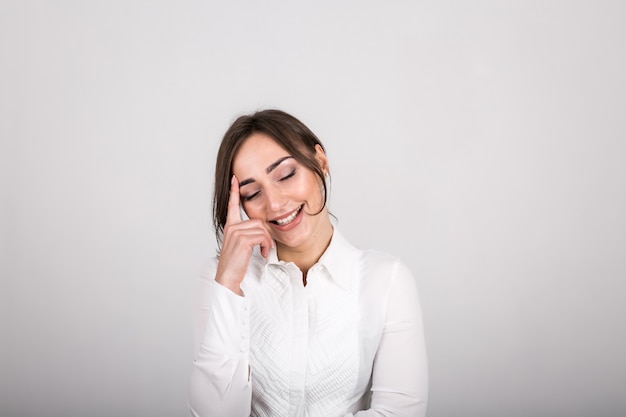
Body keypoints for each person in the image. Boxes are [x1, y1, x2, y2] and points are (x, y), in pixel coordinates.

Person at [188, 109, 428, 416]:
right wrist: (228, 287)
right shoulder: (219, 279)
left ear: (320, 162)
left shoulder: (387, 281)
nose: (274, 203)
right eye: (252, 193)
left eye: (286, 175)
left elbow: (399, 413)